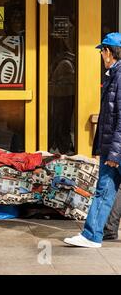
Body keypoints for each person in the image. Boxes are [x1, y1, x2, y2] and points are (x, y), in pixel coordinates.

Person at [64, 32, 121, 248]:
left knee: (104, 190)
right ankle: (91, 235)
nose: (101, 55)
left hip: (116, 149)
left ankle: (92, 235)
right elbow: (108, 116)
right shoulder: (112, 75)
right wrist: (100, 147)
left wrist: (115, 153)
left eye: (102, 51)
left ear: (109, 52)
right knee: (104, 191)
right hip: (111, 147)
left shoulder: (119, 77)